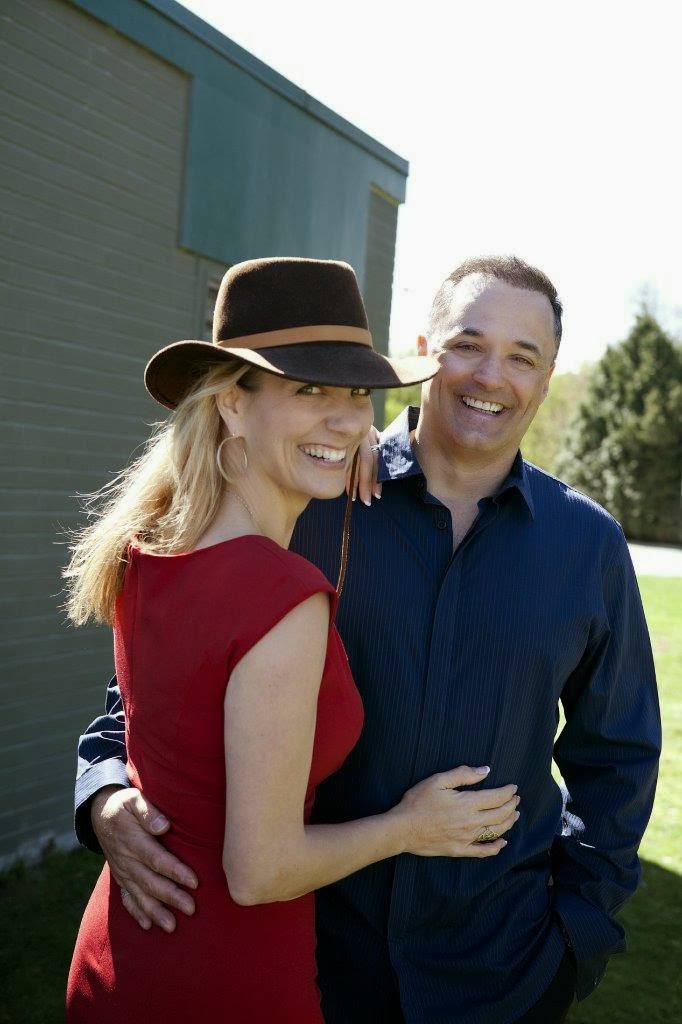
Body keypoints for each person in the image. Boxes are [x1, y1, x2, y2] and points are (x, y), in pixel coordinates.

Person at [73, 256, 660, 1024]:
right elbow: (155, 688)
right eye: (468, 344)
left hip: (501, 973)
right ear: (423, 351)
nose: (491, 376)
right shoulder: (307, 497)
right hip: (314, 962)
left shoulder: (588, 546)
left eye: (523, 358)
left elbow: (617, 754)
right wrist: (105, 791)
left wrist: (577, 934)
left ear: (548, 379)